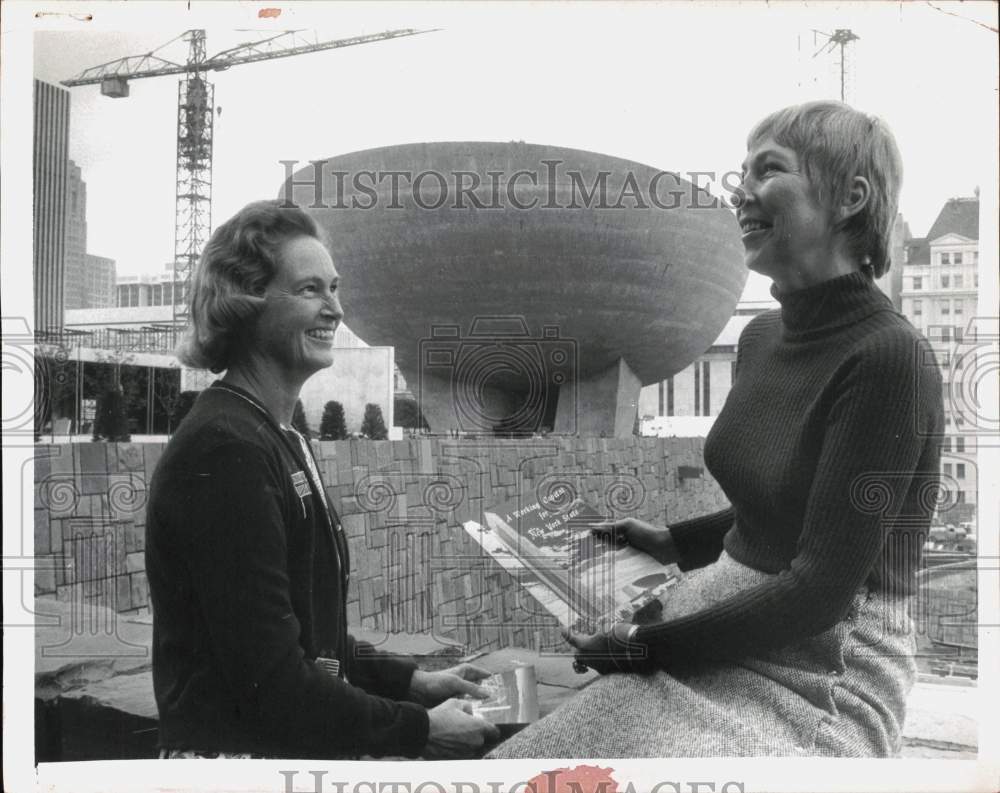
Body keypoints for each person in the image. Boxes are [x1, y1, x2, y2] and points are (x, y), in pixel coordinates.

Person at [489, 101, 944, 758]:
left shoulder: (888, 357)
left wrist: (644, 647)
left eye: (769, 170)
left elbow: (820, 588)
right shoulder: (762, 337)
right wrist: (671, 540)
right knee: (525, 749)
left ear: (851, 196)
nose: (741, 191)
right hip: (729, 612)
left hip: (824, 666)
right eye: (741, 172)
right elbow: (783, 503)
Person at [146, 200, 499, 759]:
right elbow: (275, 683)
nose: (335, 308)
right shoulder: (227, 449)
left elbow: (305, 633)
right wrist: (419, 728)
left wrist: (411, 682)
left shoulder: (275, 433)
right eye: (310, 289)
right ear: (245, 302)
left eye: (334, 288)